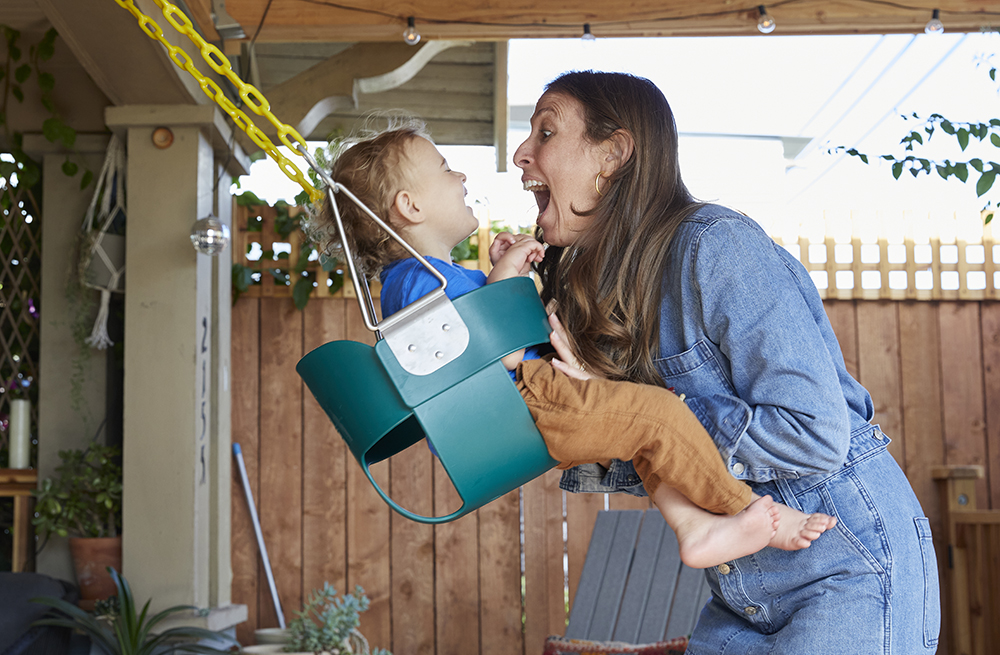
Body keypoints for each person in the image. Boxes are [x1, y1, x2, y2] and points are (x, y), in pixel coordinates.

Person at [512, 70, 940, 655]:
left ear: (612, 154)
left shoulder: (715, 245)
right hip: (745, 594)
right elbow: (662, 452)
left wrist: (653, 414)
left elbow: (815, 431)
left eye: (546, 132)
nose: (521, 153)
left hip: (847, 567)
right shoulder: (616, 288)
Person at [312, 120, 836, 569]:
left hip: (523, 397)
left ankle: (693, 526)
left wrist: (500, 275)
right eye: (446, 168)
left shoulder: (426, 279)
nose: (462, 176)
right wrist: (504, 279)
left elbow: (469, 335)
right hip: (522, 398)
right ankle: (748, 510)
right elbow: (484, 356)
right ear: (409, 205)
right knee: (660, 416)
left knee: (647, 437)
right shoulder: (415, 280)